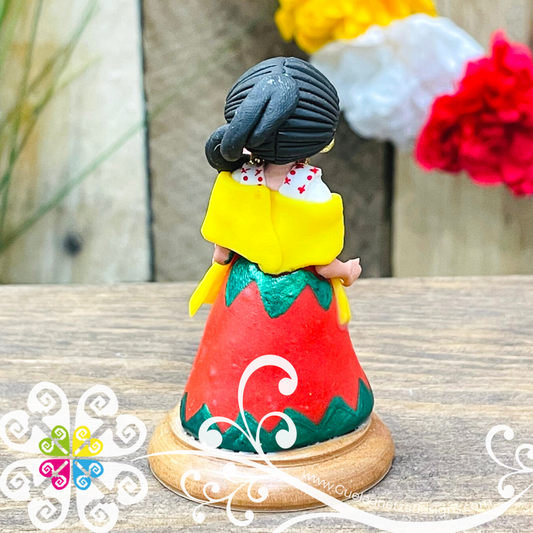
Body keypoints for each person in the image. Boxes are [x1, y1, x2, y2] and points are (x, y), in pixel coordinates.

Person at [181, 57, 374, 453]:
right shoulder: (310, 188)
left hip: (243, 286)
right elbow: (321, 256)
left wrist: (224, 258)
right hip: (300, 292)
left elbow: (222, 246)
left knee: (231, 359)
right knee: (317, 367)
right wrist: (344, 270)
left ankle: (221, 416)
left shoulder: (238, 178)